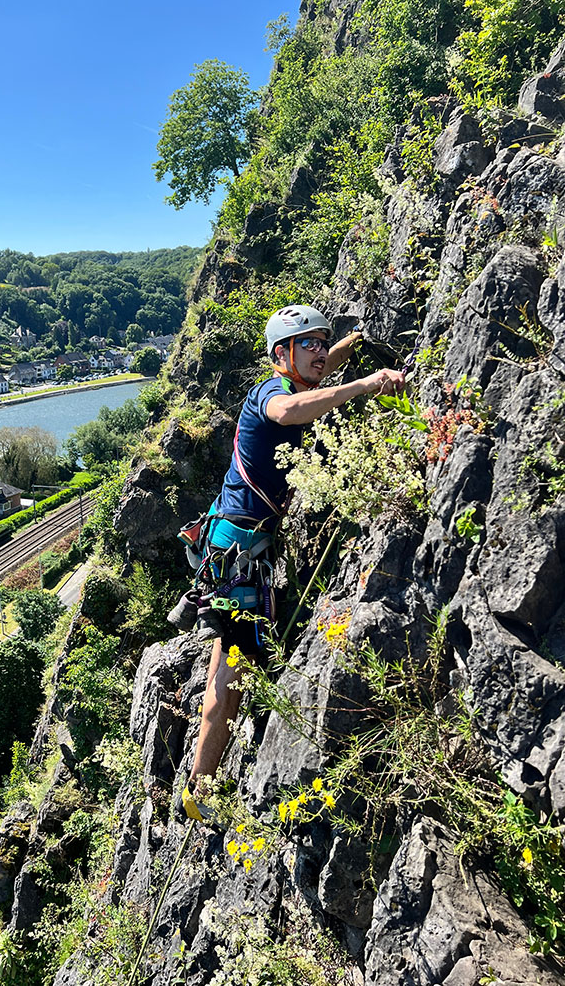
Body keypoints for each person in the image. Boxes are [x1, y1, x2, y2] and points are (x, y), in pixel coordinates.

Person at [178, 304, 406, 822]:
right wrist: (365, 384)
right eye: (310, 344)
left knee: (238, 662)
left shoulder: (299, 378)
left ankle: (203, 781)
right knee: (229, 670)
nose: (320, 353)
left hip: (243, 549)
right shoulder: (269, 394)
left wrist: (350, 343)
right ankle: (199, 789)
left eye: (322, 344)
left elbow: (317, 377)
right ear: (281, 354)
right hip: (237, 552)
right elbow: (290, 411)